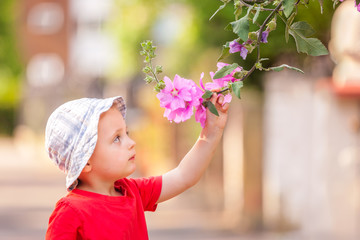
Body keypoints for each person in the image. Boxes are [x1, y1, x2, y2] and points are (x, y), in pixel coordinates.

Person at [45, 93, 229, 239]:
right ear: (85, 160)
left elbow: (183, 176)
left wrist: (212, 132)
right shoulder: (70, 212)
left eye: (126, 133)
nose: (131, 142)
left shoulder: (132, 191)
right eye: (117, 138)